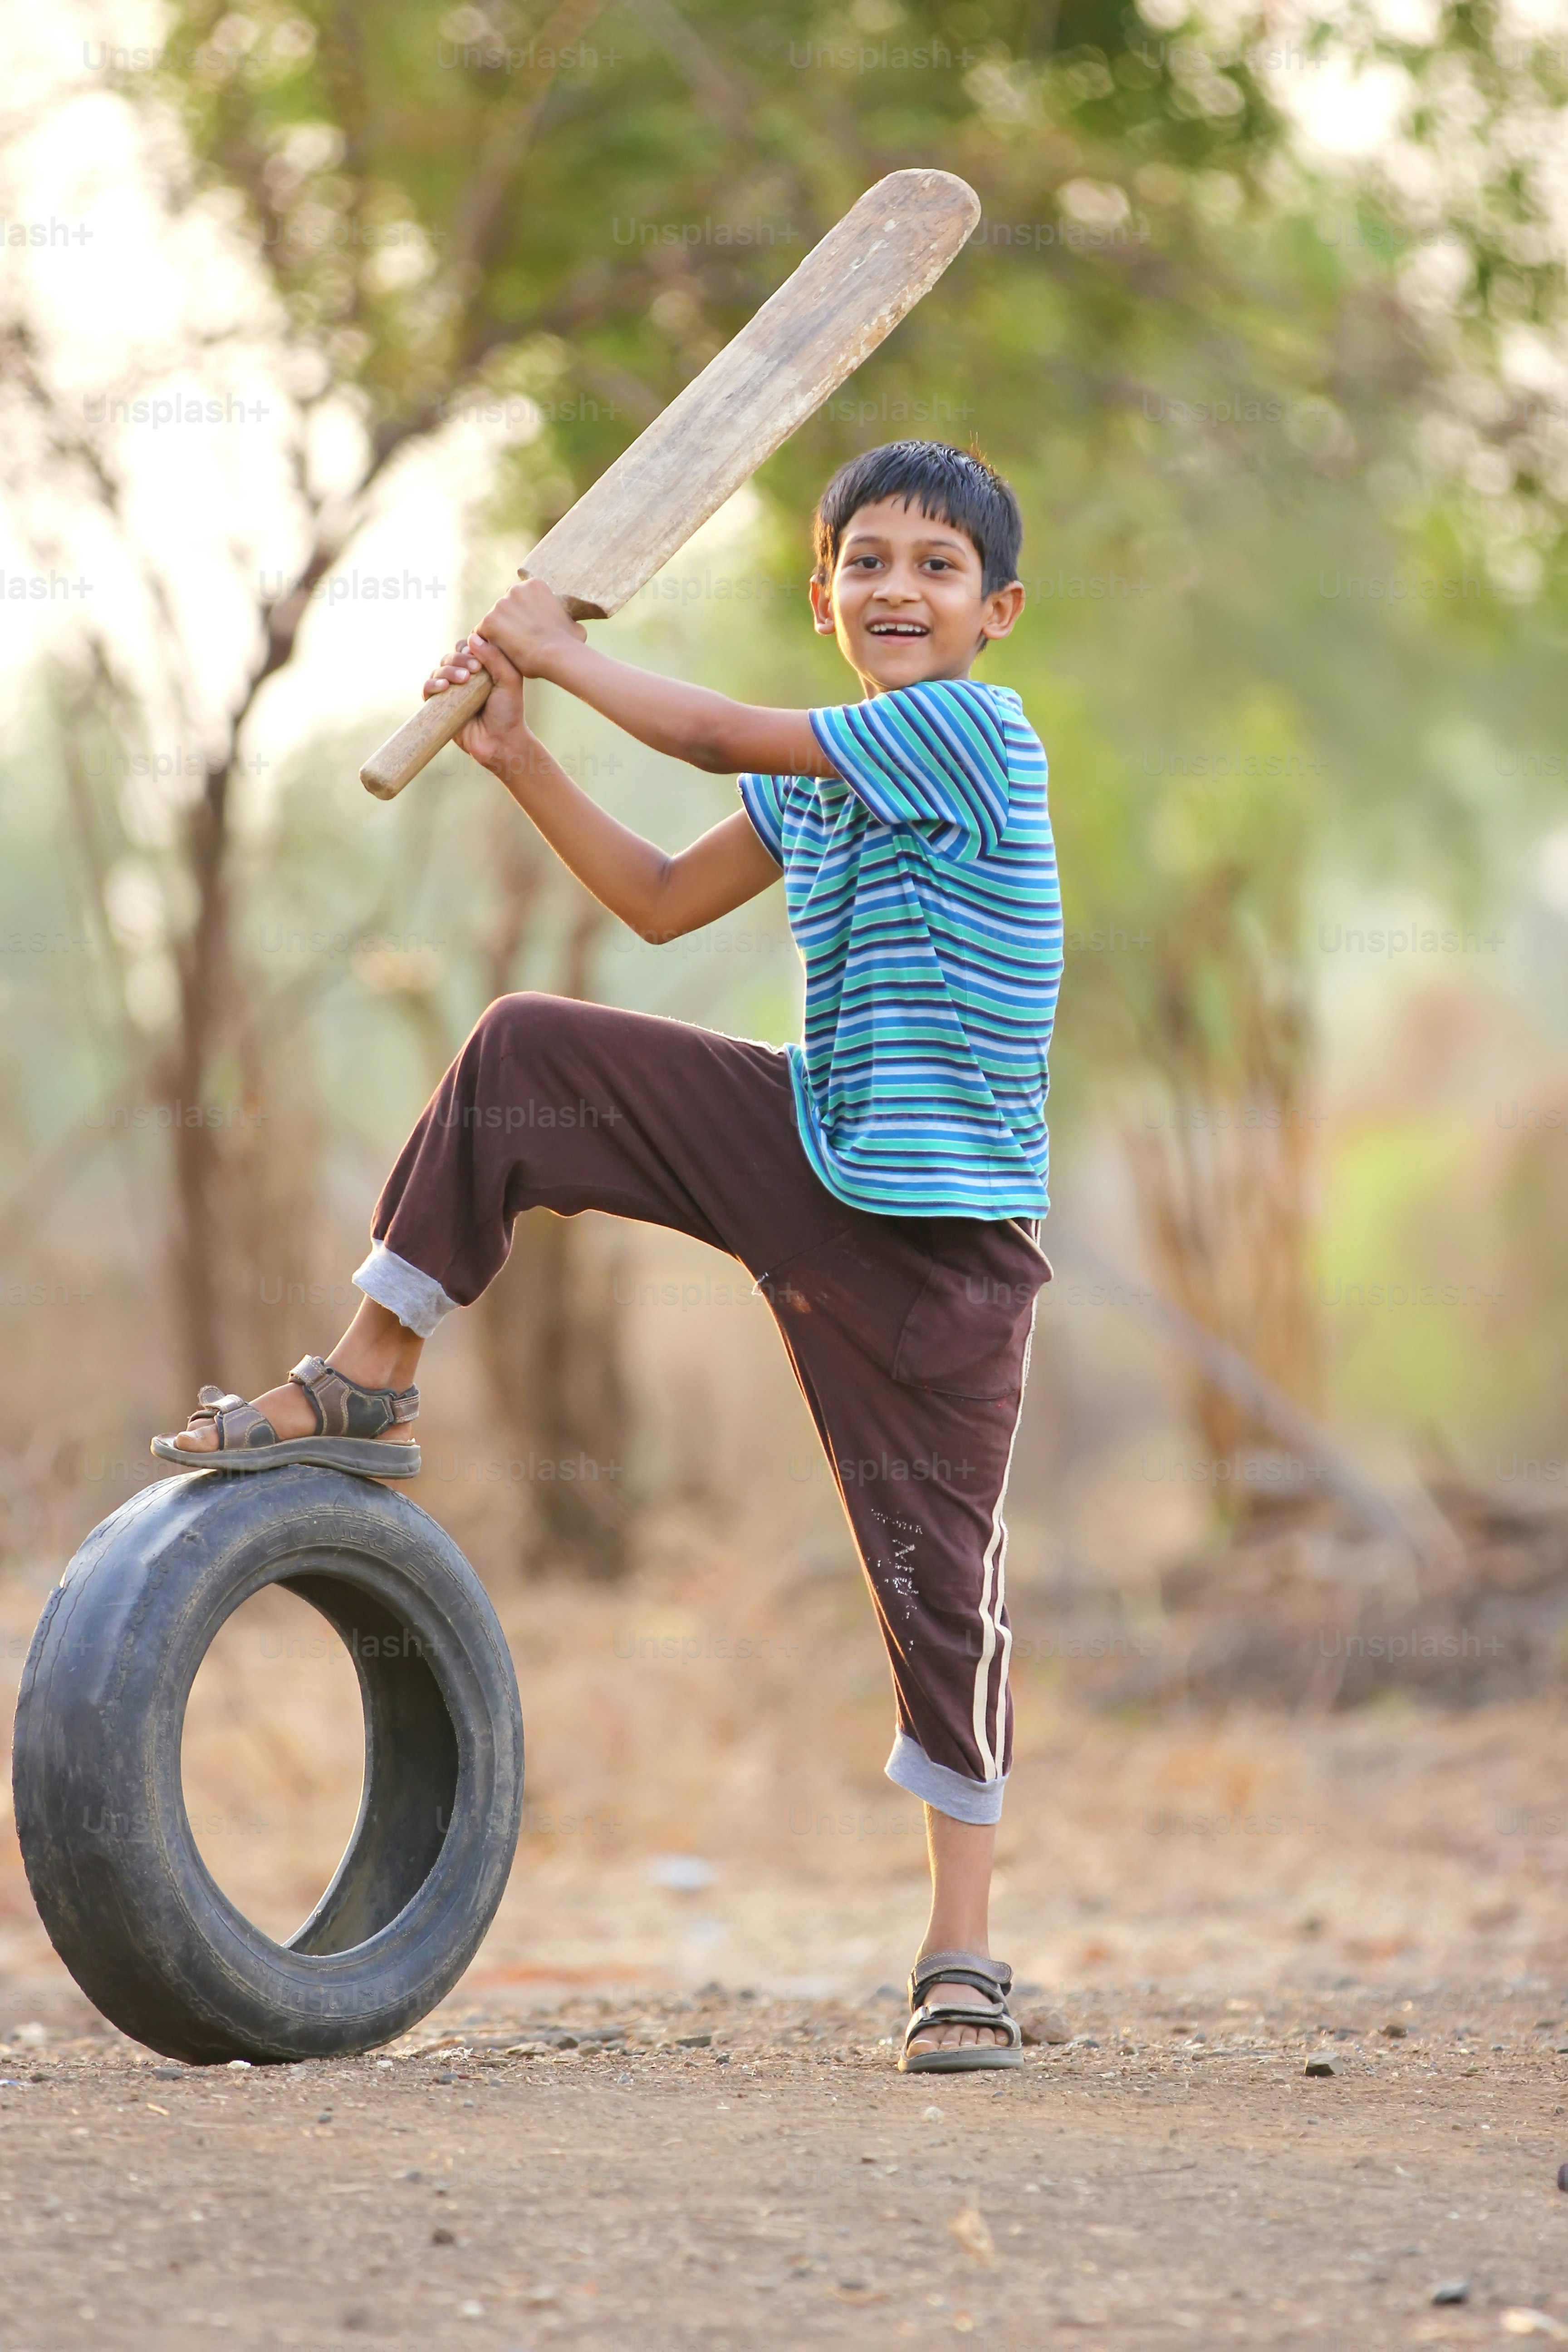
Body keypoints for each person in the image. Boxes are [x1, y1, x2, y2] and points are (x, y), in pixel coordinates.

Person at [157, 439, 1063, 2074]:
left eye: (936, 568)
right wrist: (518, 754)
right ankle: (369, 1374)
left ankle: (961, 1952)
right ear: (825, 594)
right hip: (811, 1150)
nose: (897, 589)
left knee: (939, 1588)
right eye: (866, 561)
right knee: (526, 1053)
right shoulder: (819, 771)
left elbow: (713, 725)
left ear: (997, 612)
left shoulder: (968, 732)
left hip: (945, 1240)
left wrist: (564, 652)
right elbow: (653, 901)